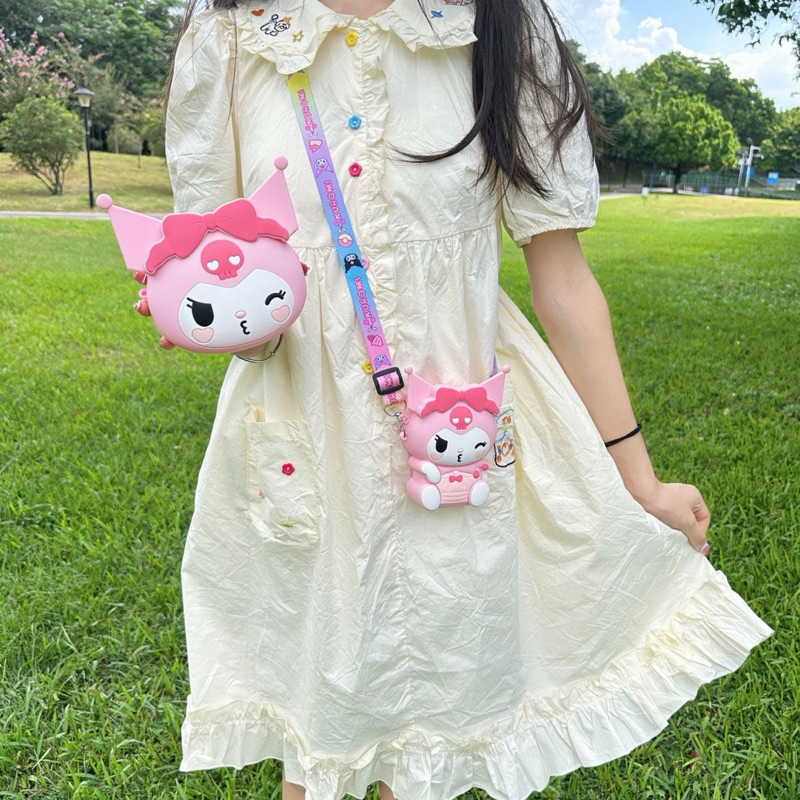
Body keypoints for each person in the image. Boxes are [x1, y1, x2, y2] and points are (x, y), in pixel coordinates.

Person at [163, 1, 773, 798]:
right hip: (304, 444)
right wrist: (226, 321)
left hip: (461, 440)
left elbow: (563, 281)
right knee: (321, 736)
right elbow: (214, 262)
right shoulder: (232, 35)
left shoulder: (501, 24)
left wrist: (637, 478)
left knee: (438, 730)